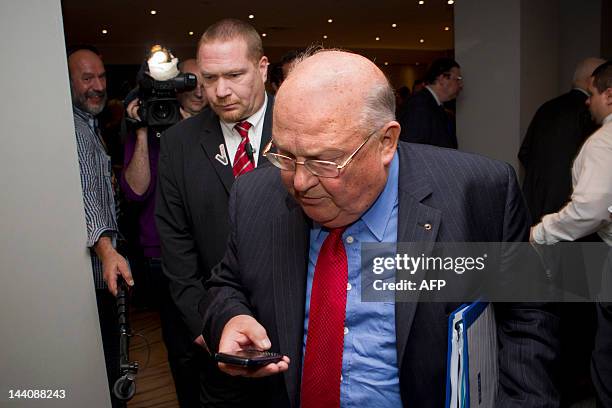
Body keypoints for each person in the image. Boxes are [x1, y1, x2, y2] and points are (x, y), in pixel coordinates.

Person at [201, 49, 559, 407]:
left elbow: (526, 314)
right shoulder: (254, 196)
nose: (299, 181)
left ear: (386, 142)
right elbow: (225, 284)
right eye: (285, 155)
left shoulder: (478, 192)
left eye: (324, 160)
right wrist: (231, 317)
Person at [155, 18, 273, 406]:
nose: (220, 92)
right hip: (218, 340)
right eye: (208, 79)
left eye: (235, 75)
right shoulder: (179, 144)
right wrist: (205, 326)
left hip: (297, 330)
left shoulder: (299, 128)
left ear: (262, 68)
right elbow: (176, 246)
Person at [120, 57, 207, 407]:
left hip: (213, 251)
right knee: (182, 350)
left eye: (205, 81)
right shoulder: (154, 124)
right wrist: (142, 130)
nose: (200, 90)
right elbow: (136, 192)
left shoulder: (219, 127)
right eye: (192, 82)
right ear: (176, 87)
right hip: (163, 256)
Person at [531, 60, 612, 407]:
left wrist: (541, 232)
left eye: (592, 94)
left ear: (608, 96)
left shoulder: (603, 143)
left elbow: (591, 209)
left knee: (607, 361)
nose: (587, 101)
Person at [68, 45, 134, 407]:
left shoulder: (90, 126)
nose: (97, 86)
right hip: (96, 275)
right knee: (109, 368)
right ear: (68, 82)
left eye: (102, 76)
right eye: (87, 77)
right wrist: (107, 249)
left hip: (102, 272)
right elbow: (86, 196)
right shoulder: (74, 131)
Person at [519, 57, 605, 223]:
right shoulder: (592, 114)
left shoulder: (546, 107)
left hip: (535, 202)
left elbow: (524, 152)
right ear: (592, 80)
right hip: (570, 210)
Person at [397, 58, 463, 148]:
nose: (461, 84)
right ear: (442, 78)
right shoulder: (419, 105)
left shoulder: (434, 105)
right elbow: (412, 149)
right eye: (458, 79)